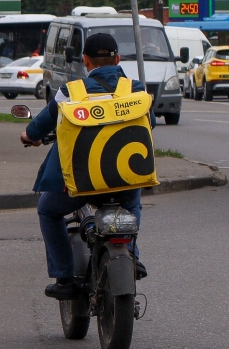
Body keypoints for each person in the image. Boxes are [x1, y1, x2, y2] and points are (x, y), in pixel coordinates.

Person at [21, 32, 151, 299]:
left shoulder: (71, 92)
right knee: (133, 202)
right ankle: (132, 257)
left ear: (85, 61)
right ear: (117, 58)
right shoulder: (136, 89)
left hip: (81, 185)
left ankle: (65, 278)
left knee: (47, 209)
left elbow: (41, 125)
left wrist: (29, 136)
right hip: (125, 180)